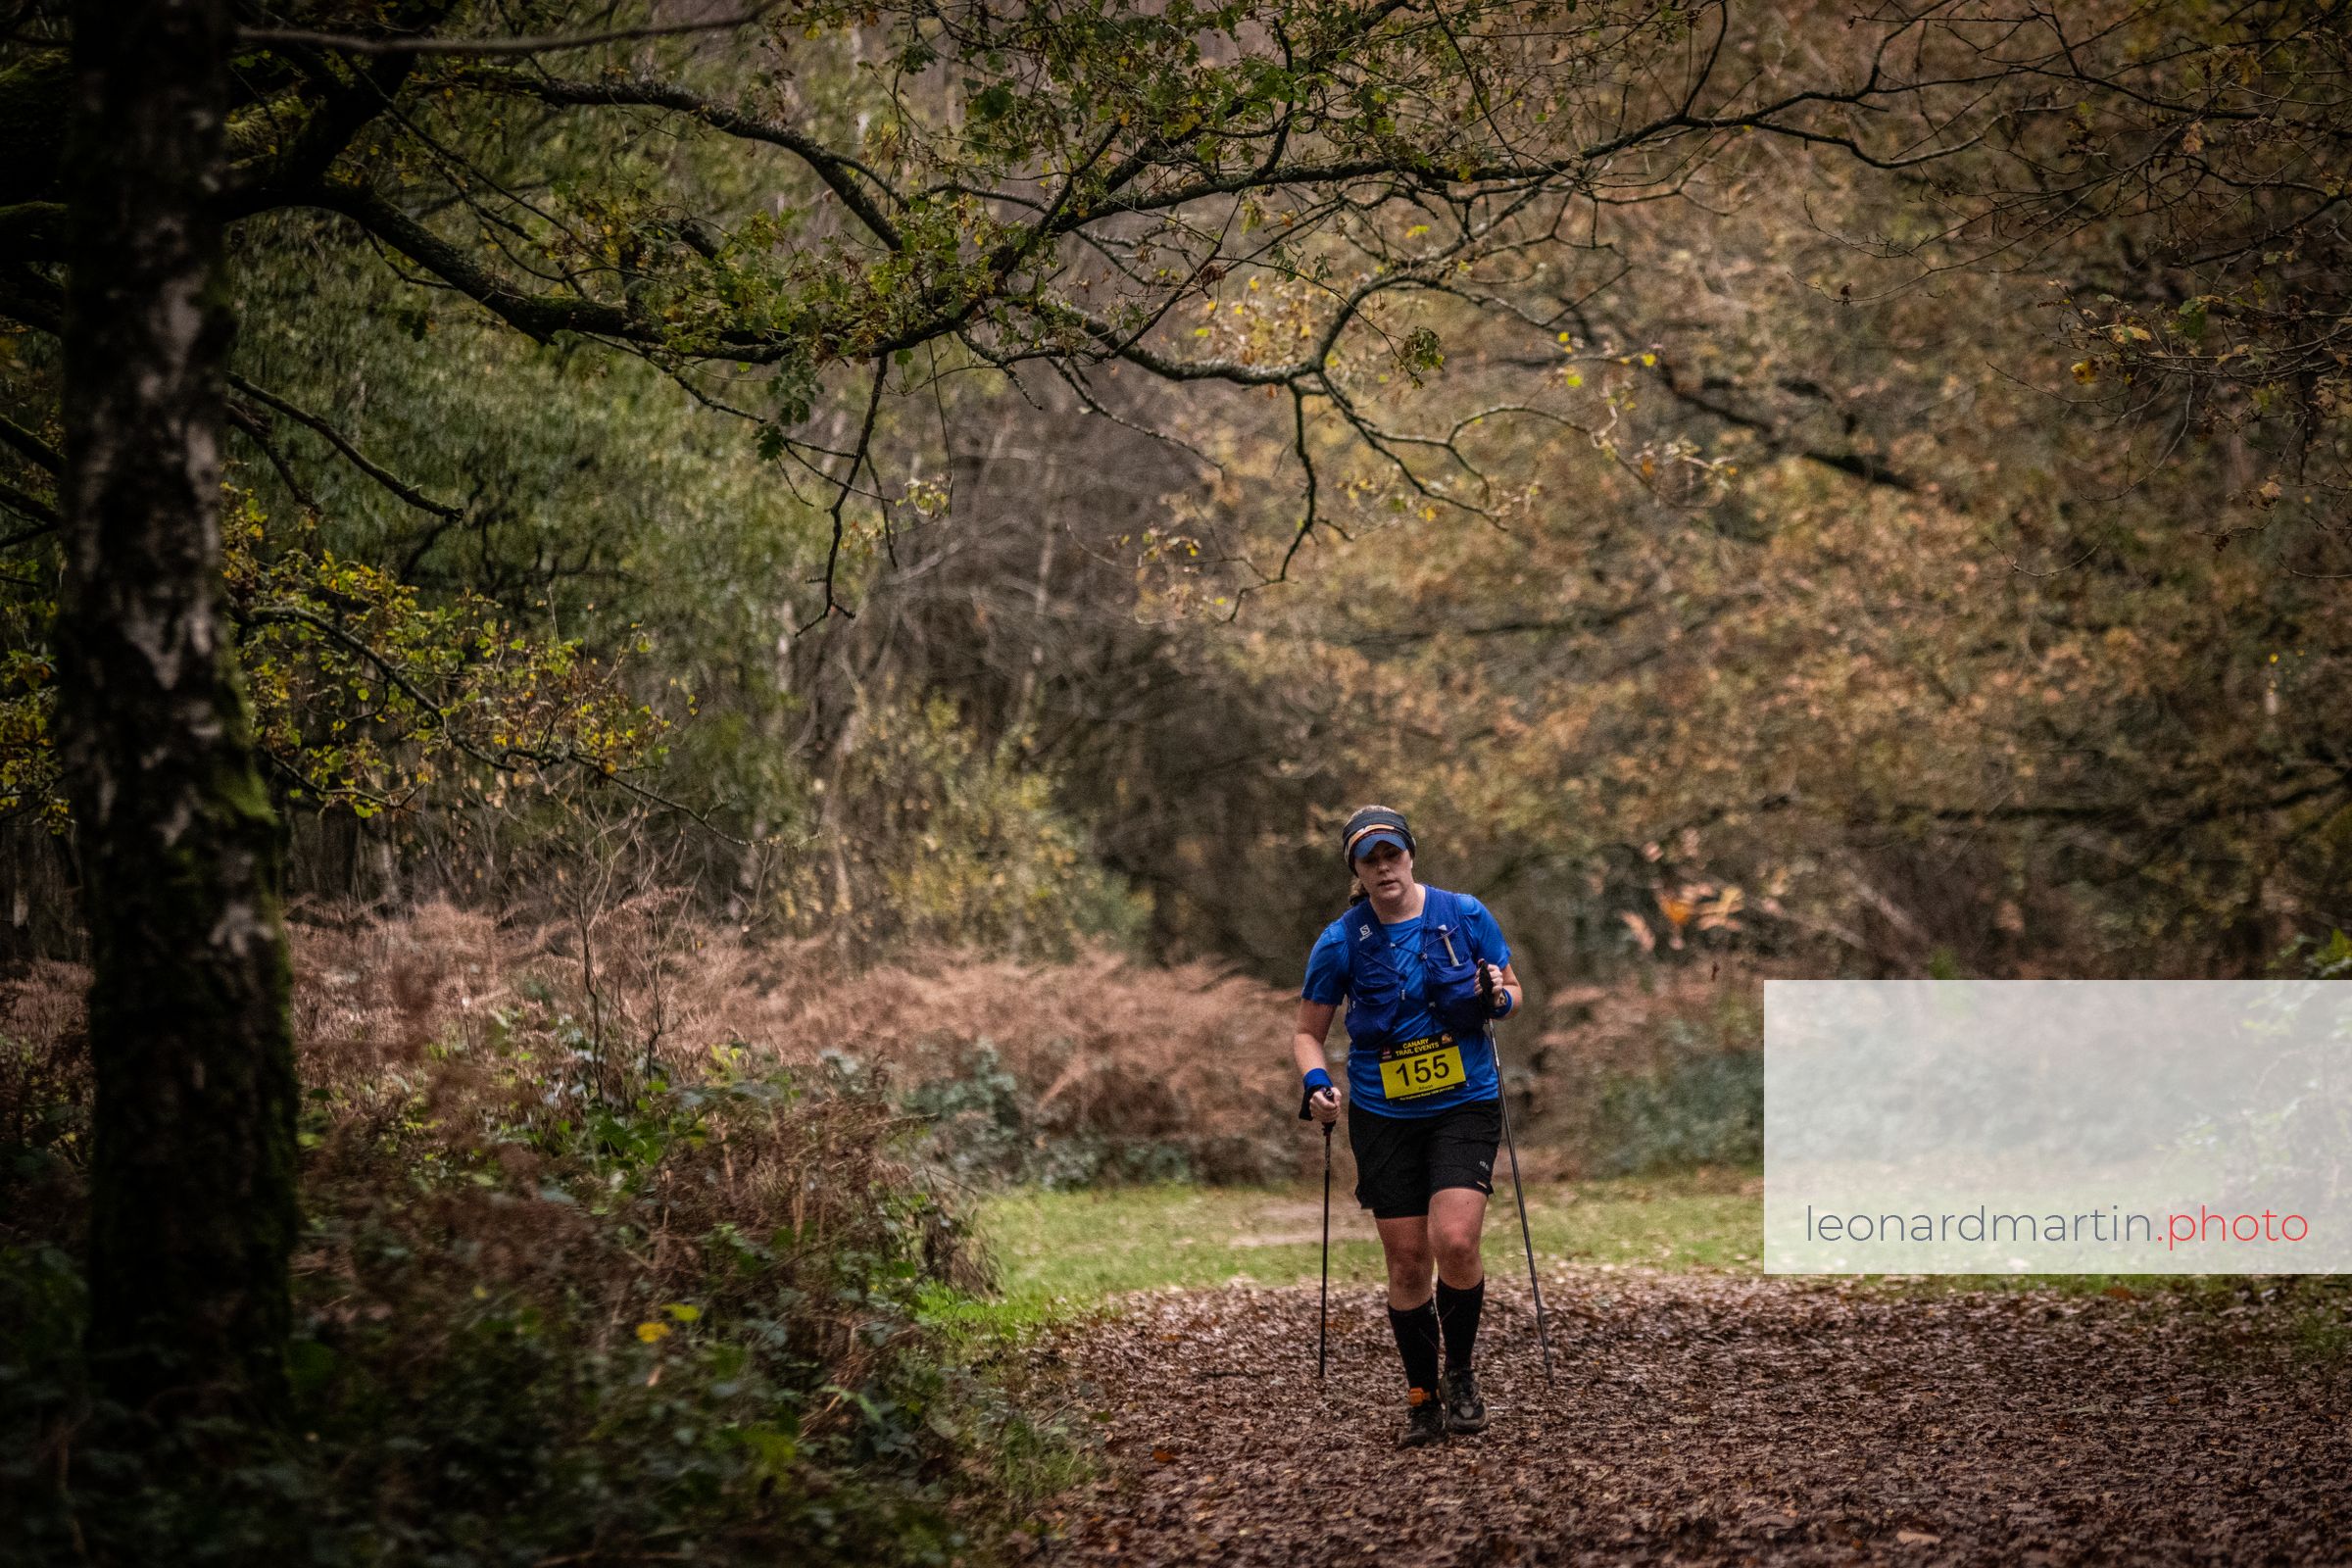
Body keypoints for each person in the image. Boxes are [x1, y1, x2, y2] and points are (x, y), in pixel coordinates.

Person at [1294, 805, 1524, 1447]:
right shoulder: (1340, 941)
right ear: (1356, 870)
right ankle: (1422, 1394)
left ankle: (1462, 1373)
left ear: (1410, 854)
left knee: (1455, 1241)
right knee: (1406, 1261)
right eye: (1369, 859)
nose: (1383, 867)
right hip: (1384, 1115)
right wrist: (1317, 1084)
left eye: (1391, 853)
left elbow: (1511, 990)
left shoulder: (1464, 915)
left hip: (1464, 1101)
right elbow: (1307, 1034)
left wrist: (1498, 997)